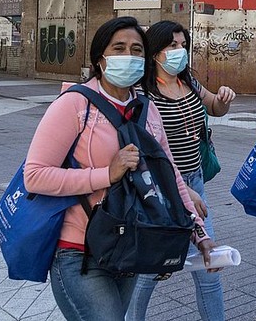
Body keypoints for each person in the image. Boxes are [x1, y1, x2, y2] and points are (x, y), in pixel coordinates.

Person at [23, 16, 216, 321]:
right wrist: (106, 174)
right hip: (79, 250)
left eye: (137, 50)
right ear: (100, 60)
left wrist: (199, 233)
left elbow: (169, 174)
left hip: (129, 245)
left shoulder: (147, 109)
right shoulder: (73, 105)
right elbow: (34, 176)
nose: (129, 56)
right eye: (119, 48)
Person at [127, 20, 236, 321]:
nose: (180, 51)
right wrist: (178, 189)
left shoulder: (189, 83)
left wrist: (224, 99)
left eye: (183, 45)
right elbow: (143, 150)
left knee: (210, 269)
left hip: (195, 185)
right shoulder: (141, 93)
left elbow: (214, 106)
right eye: (172, 45)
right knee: (150, 273)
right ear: (154, 53)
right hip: (159, 192)